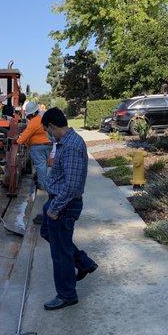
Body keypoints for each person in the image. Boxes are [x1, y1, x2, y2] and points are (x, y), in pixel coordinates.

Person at [40, 107, 98, 310]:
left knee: (60, 252)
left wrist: (55, 208)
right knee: (46, 232)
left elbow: (72, 186)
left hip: (64, 205)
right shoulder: (64, 142)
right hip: (58, 200)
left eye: (47, 130)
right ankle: (83, 262)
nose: (48, 134)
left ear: (53, 126)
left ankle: (67, 294)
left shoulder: (72, 146)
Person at [16, 101, 52, 190]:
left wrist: (17, 141)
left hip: (38, 146)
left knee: (40, 165)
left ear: (30, 114)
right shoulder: (40, 119)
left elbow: (25, 136)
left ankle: (42, 184)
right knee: (43, 164)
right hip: (47, 145)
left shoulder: (34, 122)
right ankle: (42, 180)